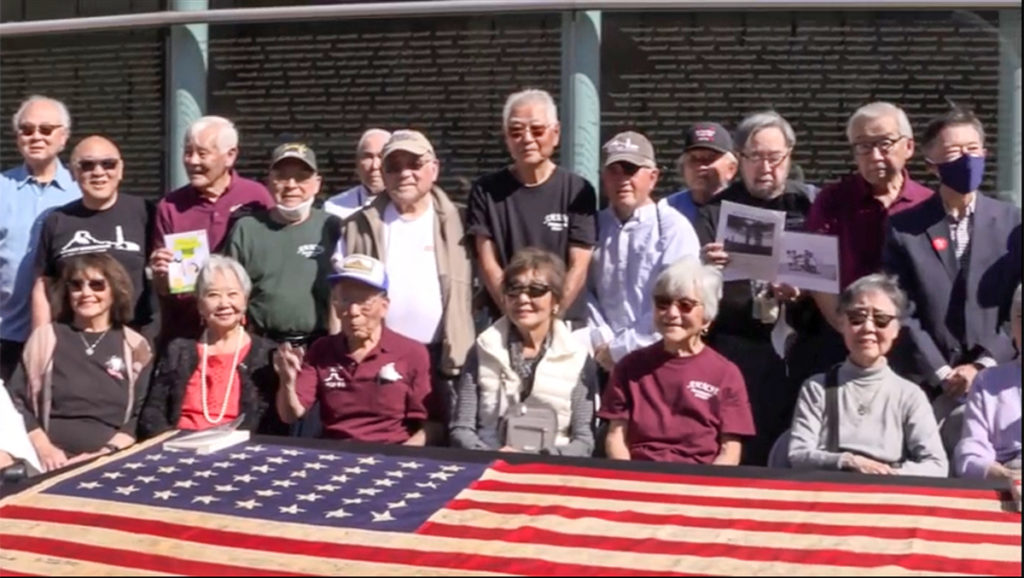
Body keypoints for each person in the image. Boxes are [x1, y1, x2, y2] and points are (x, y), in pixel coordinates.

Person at [882, 107, 1020, 455]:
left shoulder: (1012, 225)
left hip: (1000, 384)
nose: (967, 159)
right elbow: (900, 308)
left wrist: (982, 366)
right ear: (931, 163)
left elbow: (1016, 307)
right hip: (926, 386)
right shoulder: (904, 228)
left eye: (974, 149)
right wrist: (942, 372)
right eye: (955, 152)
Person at [696, 110, 823, 465]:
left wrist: (805, 288)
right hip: (738, 345)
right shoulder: (715, 211)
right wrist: (706, 264)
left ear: (789, 155)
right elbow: (694, 283)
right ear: (739, 159)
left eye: (774, 157)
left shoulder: (811, 204)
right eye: (755, 157)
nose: (766, 167)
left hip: (802, 343)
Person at [338, 129, 473, 420]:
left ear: (433, 169)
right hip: (379, 358)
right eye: (394, 166)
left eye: (414, 164)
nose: (404, 174)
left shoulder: (463, 222)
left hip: (445, 360)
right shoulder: (357, 226)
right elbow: (338, 298)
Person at [787, 274, 948, 476]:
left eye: (881, 320)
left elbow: (936, 465)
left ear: (896, 328)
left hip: (888, 497)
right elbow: (798, 455)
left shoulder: (910, 395)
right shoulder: (817, 388)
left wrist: (888, 473)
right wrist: (848, 461)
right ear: (841, 322)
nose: (868, 328)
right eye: (857, 318)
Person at [600, 257, 755, 464]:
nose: (672, 313)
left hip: (699, 482)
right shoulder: (629, 367)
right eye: (663, 303)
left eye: (685, 305)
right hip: (639, 476)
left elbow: (730, 450)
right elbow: (616, 437)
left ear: (707, 318)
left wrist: (704, 491)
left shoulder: (726, 373)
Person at [7, 253, 152, 472]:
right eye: (76, 285)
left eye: (97, 285)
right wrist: (43, 447)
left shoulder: (135, 346)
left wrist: (105, 454)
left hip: (110, 461)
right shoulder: (46, 338)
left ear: (115, 290)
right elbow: (16, 402)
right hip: (43, 460)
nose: (86, 293)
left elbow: (139, 416)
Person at [274, 254, 438, 445]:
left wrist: (401, 455)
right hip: (334, 453)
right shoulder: (322, 350)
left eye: (363, 302)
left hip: (392, 454)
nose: (353, 312)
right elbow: (290, 415)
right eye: (344, 300)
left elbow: (433, 426)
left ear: (384, 307)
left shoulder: (411, 353)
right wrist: (287, 382)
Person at [467, 89, 597, 329]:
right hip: (506, 324)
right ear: (506, 137)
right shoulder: (485, 191)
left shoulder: (578, 191)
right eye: (516, 131)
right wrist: (515, 313)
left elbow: (579, 264)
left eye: (537, 130)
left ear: (555, 133)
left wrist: (550, 318)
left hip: (563, 324)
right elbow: (487, 262)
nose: (527, 139)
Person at [451, 248, 596, 456]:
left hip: (553, 471)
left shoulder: (578, 357)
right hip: (489, 464)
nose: (523, 299)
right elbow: (462, 429)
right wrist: (493, 455)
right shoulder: (482, 350)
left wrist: (546, 458)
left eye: (536, 290)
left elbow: (584, 440)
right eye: (514, 289)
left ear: (555, 300)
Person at [806, 102, 931, 340]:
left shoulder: (928, 204)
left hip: (917, 342)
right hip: (847, 336)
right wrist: (847, 329)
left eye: (884, 144)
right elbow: (816, 275)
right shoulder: (832, 201)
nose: (874, 156)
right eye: (863, 146)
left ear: (909, 146)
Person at [148, 116, 274, 347]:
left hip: (246, 338)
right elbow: (165, 289)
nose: (193, 161)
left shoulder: (257, 197)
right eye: (188, 152)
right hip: (188, 336)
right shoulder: (170, 207)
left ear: (230, 156)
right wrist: (161, 274)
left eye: (202, 153)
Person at [587, 131, 700, 372]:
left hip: (659, 359)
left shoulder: (673, 228)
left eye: (631, 170)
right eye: (613, 171)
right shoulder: (593, 226)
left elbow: (677, 300)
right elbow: (583, 291)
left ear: (653, 177)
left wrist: (621, 349)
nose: (622, 180)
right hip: (599, 357)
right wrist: (601, 339)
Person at [139, 256, 284, 438]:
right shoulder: (178, 349)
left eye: (232, 294)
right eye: (213, 295)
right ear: (200, 305)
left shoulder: (267, 353)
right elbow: (153, 412)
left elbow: (271, 422)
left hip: (240, 451)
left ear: (245, 301)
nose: (224, 304)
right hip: (179, 448)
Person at [31, 135, 155, 337]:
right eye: (87, 165)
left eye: (108, 164)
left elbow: (163, 275)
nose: (99, 172)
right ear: (72, 172)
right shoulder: (57, 220)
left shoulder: (145, 212)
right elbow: (42, 285)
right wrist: (40, 339)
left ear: (120, 170)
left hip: (135, 335)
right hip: (72, 340)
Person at [225, 142, 340, 346]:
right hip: (260, 346)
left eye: (302, 177)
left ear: (317, 183)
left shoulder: (333, 227)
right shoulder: (247, 229)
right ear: (269, 181)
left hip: (319, 347)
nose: (291, 185)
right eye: (282, 176)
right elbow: (228, 291)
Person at [0, 95, 81, 382]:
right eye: (27, 129)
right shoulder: (2, 189)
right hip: (6, 335)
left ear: (63, 137)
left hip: (71, 337)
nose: (36, 136)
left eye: (46, 129)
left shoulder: (81, 189)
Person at [955, 284, 1021, 480]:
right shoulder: (989, 382)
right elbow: (970, 455)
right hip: (1006, 482)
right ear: (1013, 330)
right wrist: (1004, 475)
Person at [665, 122, 738, 224]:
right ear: (682, 167)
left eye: (710, 158)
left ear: (731, 168)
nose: (701, 166)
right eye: (693, 159)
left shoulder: (743, 209)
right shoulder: (668, 209)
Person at [324, 128, 391, 219]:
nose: (375, 166)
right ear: (357, 162)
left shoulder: (409, 205)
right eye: (368, 157)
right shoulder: (335, 207)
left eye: (381, 156)